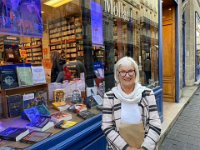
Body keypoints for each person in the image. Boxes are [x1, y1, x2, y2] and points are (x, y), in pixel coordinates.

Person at [101, 56, 161, 150]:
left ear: (135, 72)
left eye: (130, 71)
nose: (127, 75)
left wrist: (145, 148)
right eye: (123, 72)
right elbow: (107, 126)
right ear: (118, 74)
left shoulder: (147, 94)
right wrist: (126, 148)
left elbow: (155, 123)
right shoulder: (109, 97)